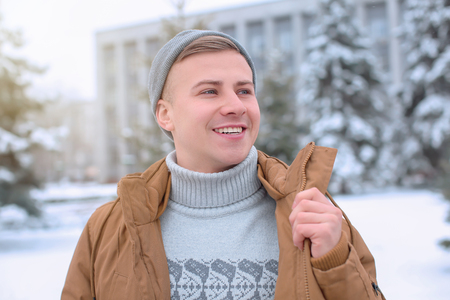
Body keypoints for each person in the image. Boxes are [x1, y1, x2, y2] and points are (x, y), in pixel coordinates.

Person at [62, 30, 385, 300]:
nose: (235, 106)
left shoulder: (313, 212)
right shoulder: (108, 228)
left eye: (244, 90)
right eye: (209, 91)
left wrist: (334, 260)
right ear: (165, 114)